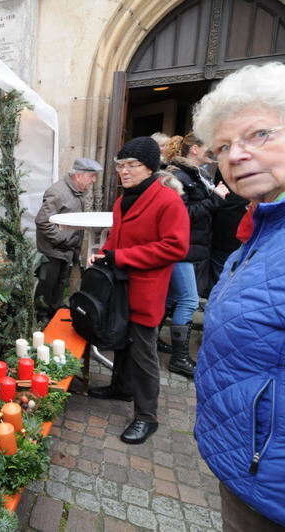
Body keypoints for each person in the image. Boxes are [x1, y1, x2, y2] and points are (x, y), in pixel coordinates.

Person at [192, 62, 285, 531]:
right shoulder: (271, 219)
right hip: (255, 473)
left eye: (258, 135)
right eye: (223, 146)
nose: (236, 156)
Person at [87, 137, 189, 445]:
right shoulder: (122, 200)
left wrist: (121, 257)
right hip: (119, 288)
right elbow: (116, 240)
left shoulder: (168, 200)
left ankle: (147, 416)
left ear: (150, 167)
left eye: (133, 165)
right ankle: (121, 388)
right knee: (121, 341)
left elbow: (175, 247)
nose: (125, 172)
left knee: (144, 353)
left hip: (146, 290)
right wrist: (104, 252)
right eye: (121, 166)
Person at [159, 134, 229, 378]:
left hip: (193, 246)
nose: (214, 153)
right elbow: (180, 214)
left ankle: (149, 341)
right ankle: (179, 359)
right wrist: (214, 200)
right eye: (210, 148)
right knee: (188, 301)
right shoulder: (177, 176)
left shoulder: (199, 175)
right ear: (195, 149)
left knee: (170, 299)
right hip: (181, 247)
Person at [34, 157, 100, 321]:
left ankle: (54, 314)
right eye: (91, 176)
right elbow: (42, 221)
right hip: (53, 251)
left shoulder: (77, 191)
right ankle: (40, 319)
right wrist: (61, 240)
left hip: (66, 250)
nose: (94, 181)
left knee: (60, 285)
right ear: (79, 176)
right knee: (47, 287)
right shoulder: (57, 192)